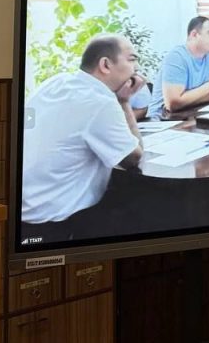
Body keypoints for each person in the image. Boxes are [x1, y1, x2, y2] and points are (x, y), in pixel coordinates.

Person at [21, 35, 144, 242]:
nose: (136, 69)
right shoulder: (100, 101)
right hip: (56, 224)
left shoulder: (55, 82)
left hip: (24, 209)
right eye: (131, 59)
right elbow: (133, 157)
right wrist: (124, 101)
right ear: (105, 65)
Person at [149, 16, 209, 119]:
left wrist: (187, 100)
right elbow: (173, 104)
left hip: (194, 113)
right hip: (163, 120)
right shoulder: (177, 57)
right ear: (194, 35)